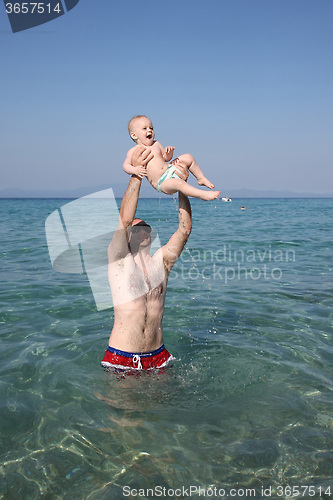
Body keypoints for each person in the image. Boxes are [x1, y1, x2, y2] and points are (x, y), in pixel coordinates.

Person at [101, 146, 192, 371]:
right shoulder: (118, 260)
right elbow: (124, 219)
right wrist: (137, 175)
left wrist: (182, 187)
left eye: (146, 227)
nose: (142, 230)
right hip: (122, 357)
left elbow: (184, 230)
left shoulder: (162, 262)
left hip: (158, 356)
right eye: (136, 227)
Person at [123, 115, 220, 201]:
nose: (149, 130)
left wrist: (169, 153)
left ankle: (201, 178)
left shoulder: (156, 144)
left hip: (169, 170)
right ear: (134, 135)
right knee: (179, 184)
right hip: (162, 182)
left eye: (151, 128)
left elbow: (165, 158)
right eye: (144, 128)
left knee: (188, 156)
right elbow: (126, 165)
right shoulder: (133, 151)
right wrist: (134, 170)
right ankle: (202, 194)